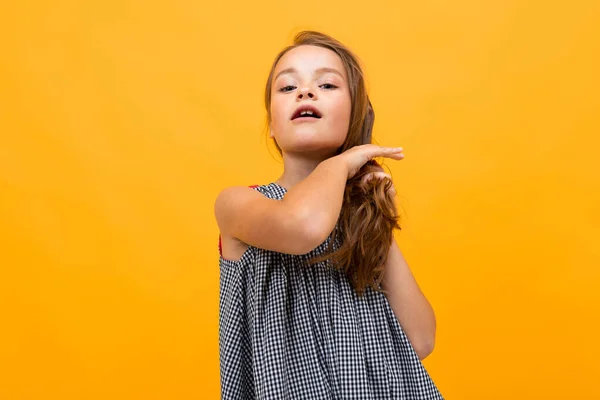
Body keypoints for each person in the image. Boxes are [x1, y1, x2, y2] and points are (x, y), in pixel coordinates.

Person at [214, 30, 443, 399]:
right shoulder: (239, 204)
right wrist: (341, 164)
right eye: (287, 88)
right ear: (272, 125)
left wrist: (375, 218)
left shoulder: (359, 219)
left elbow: (419, 340)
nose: (305, 92)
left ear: (353, 117)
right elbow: (302, 227)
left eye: (326, 85)